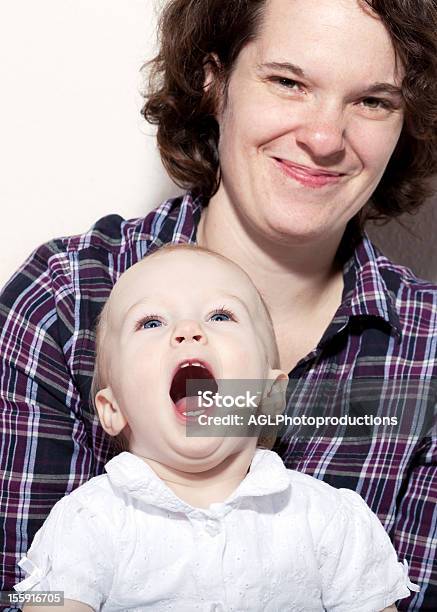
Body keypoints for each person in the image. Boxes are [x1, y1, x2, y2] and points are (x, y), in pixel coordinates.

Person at [1, 0, 436, 610]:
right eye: (288, 82)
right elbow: (32, 591)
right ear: (215, 79)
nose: (322, 138)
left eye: (373, 101)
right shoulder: (65, 300)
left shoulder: (428, 354)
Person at [14, 245, 418, 611]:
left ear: (269, 398)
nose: (188, 331)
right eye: (151, 322)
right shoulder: (88, 522)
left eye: (220, 315)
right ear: (113, 408)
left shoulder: (329, 520)